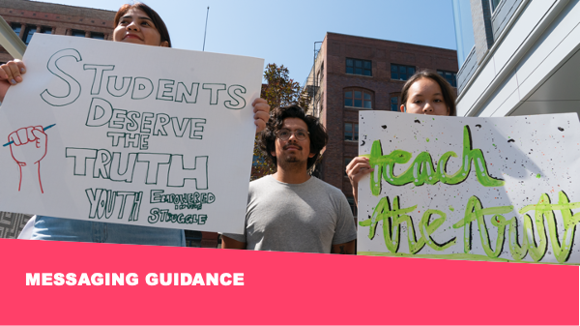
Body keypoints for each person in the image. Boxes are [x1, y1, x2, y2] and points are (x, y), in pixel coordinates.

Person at [0, 3, 270, 246]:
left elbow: (210, 161)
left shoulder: (194, 97)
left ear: (164, 45)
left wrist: (242, 126)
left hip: (151, 230)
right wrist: (10, 94)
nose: (132, 26)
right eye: (124, 22)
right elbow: (30, 140)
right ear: (113, 36)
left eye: (145, 23)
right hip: (63, 221)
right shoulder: (62, 80)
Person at [221, 105, 357, 254]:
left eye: (301, 134)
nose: (292, 138)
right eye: (284, 133)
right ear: (272, 148)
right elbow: (229, 261)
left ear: (311, 151)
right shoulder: (244, 195)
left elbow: (345, 266)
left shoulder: (336, 198)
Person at [346, 70, 457, 205]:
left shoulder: (470, 151)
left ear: (448, 109)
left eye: (437, 100)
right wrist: (358, 187)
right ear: (404, 110)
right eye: (418, 101)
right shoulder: (386, 154)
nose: (428, 107)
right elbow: (378, 219)